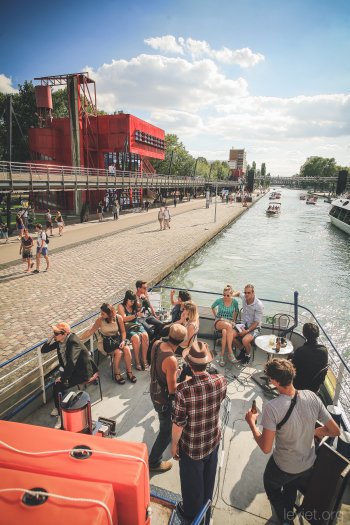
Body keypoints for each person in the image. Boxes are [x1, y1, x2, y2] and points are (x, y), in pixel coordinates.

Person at [245, 358, 340, 525]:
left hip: (284, 466)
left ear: (274, 381)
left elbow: (266, 448)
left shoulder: (272, 408)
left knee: (272, 486)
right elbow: (335, 430)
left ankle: (285, 520)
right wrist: (314, 432)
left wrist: (252, 423)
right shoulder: (311, 396)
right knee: (291, 486)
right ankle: (288, 511)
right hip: (308, 463)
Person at [171, 341, 227, 523]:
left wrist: (173, 446)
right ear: (207, 363)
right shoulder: (220, 380)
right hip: (212, 441)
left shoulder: (182, 390)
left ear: (189, 364)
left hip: (192, 448)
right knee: (208, 483)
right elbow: (215, 395)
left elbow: (178, 423)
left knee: (192, 487)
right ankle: (206, 514)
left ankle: (191, 516)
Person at [41, 322, 97, 426]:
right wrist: (51, 337)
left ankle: (60, 414)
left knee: (57, 385)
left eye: (56, 333)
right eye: (54, 333)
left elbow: (71, 363)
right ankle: (60, 406)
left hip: (82, 372)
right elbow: (43, 350)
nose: (55, 335)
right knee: (59, 383)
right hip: (73, 370)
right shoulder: (60, 341)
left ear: (64, 333)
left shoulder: (73, 341)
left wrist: (62, 378)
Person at [148, 324, 188, 473]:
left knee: (165, 423)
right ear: (183, 341)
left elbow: (157, 368)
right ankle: (153, 462)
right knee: (164, 432)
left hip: (154, 391)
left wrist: (172, 374)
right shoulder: (171, 360)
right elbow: (172, 389)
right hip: (163, 400)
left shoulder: (157, 344)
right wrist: (185, 381)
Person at [80, 303, 136, 384]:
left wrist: (123, 341)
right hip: (105, 343)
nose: (101, 315)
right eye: (101, 313)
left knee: (127, 349)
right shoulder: (100, 320)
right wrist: (79, 338)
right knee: (118, 352)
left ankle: (129, 372)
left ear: (109, 313)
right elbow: (90, 331)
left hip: (117, 340)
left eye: (103, 313)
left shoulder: (118, 318)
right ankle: (117, 374)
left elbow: (123, 332)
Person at [291, 323, 328, 392]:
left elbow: (292, 368)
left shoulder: (301, 351)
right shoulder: (324, 350)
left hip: (299, 385)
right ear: (318, 334)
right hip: (315, 386)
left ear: (304, 334)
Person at [232, 284, 263, 364]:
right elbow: (239, 293)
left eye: (249, 293)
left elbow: (257, 322)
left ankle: (247, 355)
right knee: (230, 335)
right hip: (243, 324)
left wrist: (246, 331)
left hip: (255, 327)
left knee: (245, 340)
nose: (246, 294)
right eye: (245, 292)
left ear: (253, 293)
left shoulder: (259, 305)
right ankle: (242, 349)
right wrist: (232, 295)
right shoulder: (244, 297)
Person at [118, 290, 149, 371]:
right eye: (131, 301)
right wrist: (136, 315)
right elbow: (123, 319)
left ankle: (144, 360)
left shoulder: (135, 304)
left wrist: (144, 299)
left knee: (145, 335)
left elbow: (142, 307)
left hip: (136, 324)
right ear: (126, 299)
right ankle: (137, 361)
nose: (132, 302)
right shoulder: (121, 306)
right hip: (127, 327)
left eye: (133, 300)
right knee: (136, 338)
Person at [211, 285, 239, 366]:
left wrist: (233, 319)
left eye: (227, 295)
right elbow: (212, 307)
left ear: (231, 295)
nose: (225, 297)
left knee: (224, 332)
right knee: (229, 327)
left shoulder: (234, 302)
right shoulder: (219, 300)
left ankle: (222, 356)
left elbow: (236, 311)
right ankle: (230, 352)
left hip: (229, 322)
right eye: (224, 295)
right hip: (219, 321)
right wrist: (216, 316)